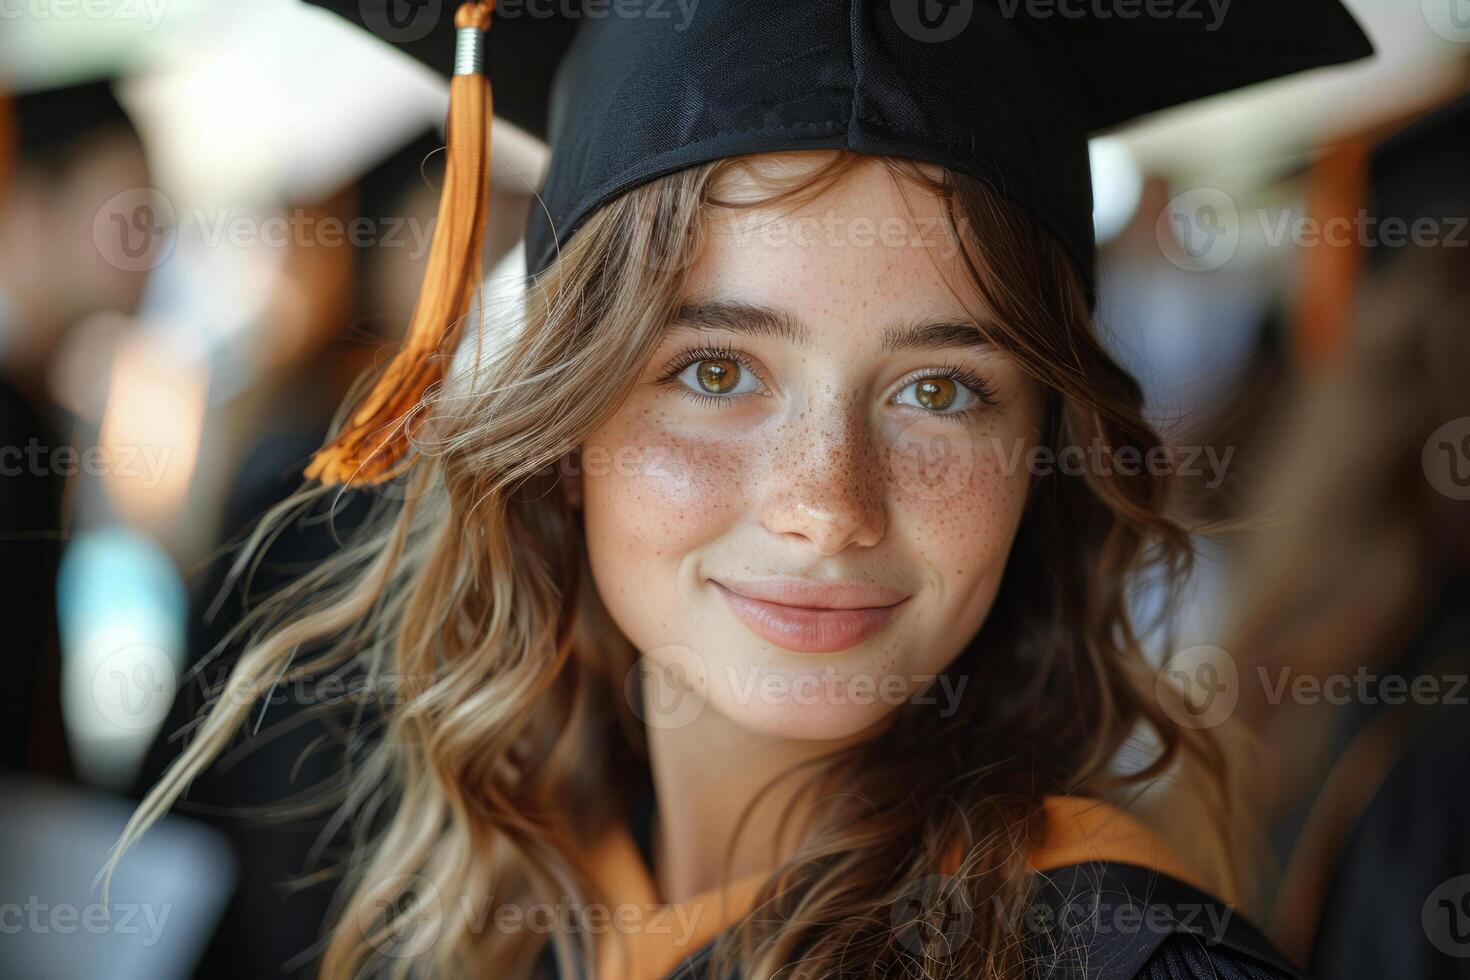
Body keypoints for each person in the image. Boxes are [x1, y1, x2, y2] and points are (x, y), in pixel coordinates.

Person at [111, 2, 1374, 977]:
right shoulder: (477, 891)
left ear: (1048, 450)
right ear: (564, 419)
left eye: (941, 389)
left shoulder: (1111, 956)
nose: (826, 503)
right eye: (715, 370)